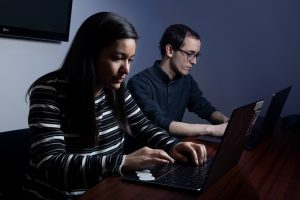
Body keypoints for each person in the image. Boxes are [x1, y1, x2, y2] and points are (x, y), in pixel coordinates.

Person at [23, 12, 207, 200]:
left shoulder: (116, 88)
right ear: (90, 53)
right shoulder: (48, 90)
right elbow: (51, 165)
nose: (126, 70)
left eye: (130, 60)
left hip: (106, 190)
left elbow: (143, 127)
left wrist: (174, 145)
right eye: (118, 58)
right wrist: (124, 161)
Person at [127, 24, 229, 138]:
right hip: (145, 153)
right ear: (170, 50)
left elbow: (204, 108)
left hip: (174, 149)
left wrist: (227, 122)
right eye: (190, 54)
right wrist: (211, 129)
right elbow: (160, 123)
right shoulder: (138, 83)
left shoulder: (187, 81)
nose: (194, 61)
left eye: (196, 55)